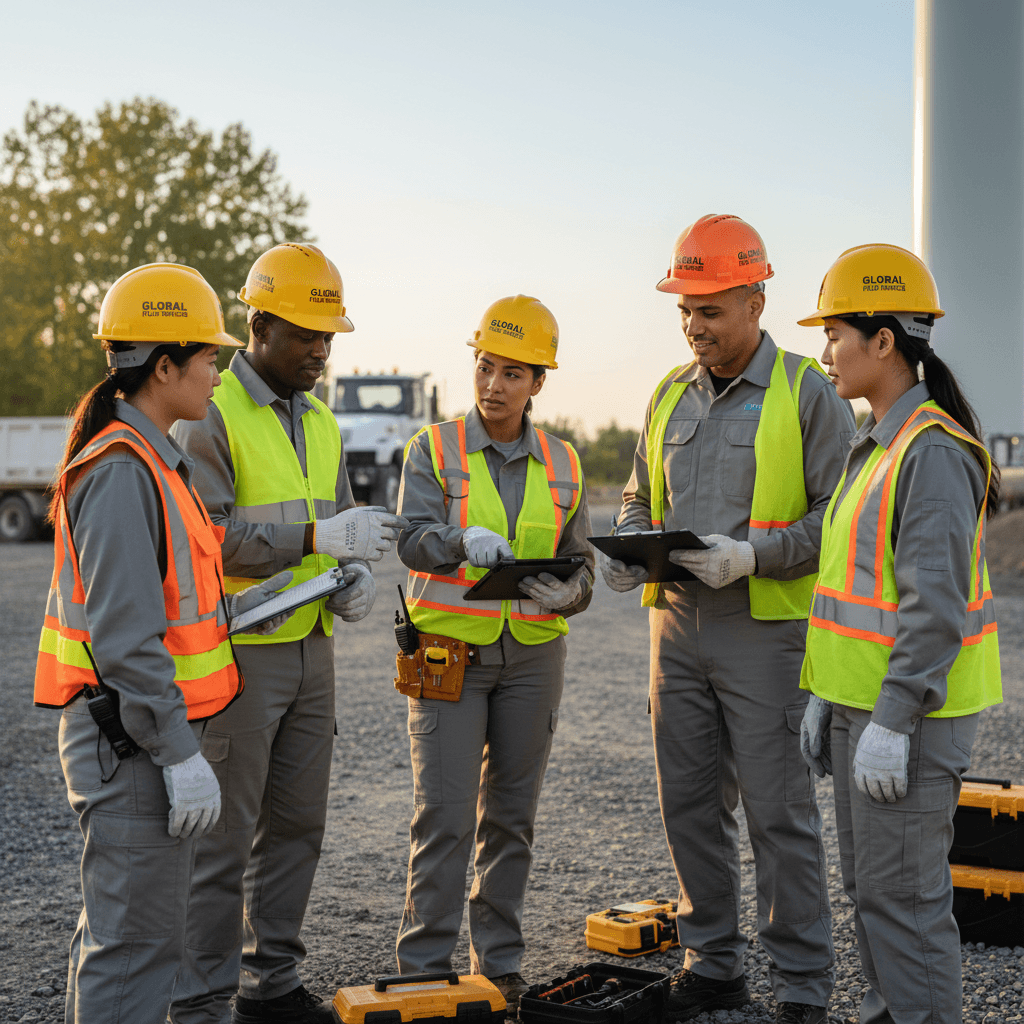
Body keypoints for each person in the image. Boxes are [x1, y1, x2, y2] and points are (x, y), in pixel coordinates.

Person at [602, 215, 856, 1024]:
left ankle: (803, 987)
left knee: (779, 813)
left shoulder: (807, 392)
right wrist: (630, 546)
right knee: (688, 805)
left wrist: (754, 555)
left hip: (766, 632)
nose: (693, 326)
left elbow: (841, 519)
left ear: (755, 300)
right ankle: (713, 965)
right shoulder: (667, 394)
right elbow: (639, 498)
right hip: (676, 630)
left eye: (709, 309)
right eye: (685, 309)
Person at [34, 263, 297, 1024]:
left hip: (138, 737)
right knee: (133, 952)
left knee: (129, 941)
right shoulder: (124, 469)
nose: (218, 372)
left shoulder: (152, 460)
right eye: (210, 357)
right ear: (164, 367)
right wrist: (179, 754)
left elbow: (169, 608)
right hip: (134, 745)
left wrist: (255, 607)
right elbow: (126, 639)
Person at [169, 243, 408, 1024]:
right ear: (260, 325)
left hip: (311, 649)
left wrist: (350, 573)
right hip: (239, 652)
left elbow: (338, 527)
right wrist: (313, 540)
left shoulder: (323, 422)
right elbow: (205, 536)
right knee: (225, 837)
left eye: (328, 336)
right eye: (306, 334)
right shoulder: (211, 413)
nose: (320, 350)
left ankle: (269, 984)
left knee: (299, 826)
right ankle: (201, 1001)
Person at [797, 244, 1002, 1024]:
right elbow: (853, 593)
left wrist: (890, 719)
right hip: (866, 710)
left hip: (907, 718)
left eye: (835, 334)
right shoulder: (877, 443)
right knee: (872, 892)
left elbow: (934, 607)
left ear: (883, 341)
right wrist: (826, 696)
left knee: (906, 902)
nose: (826, 353)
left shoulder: (932, 452)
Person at [394, 295, 594, 1012]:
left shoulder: (565, 462)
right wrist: (458, 540)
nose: (494, 385)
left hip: (533, 657)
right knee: (444, 817)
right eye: (485, 367)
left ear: (538, 381)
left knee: (511, 817)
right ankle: (423, 969)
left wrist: (572, 594)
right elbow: (411, 537)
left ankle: (498, 964)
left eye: (513, 373)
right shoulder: (433, 448)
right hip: (447, 653)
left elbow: (580, 562)